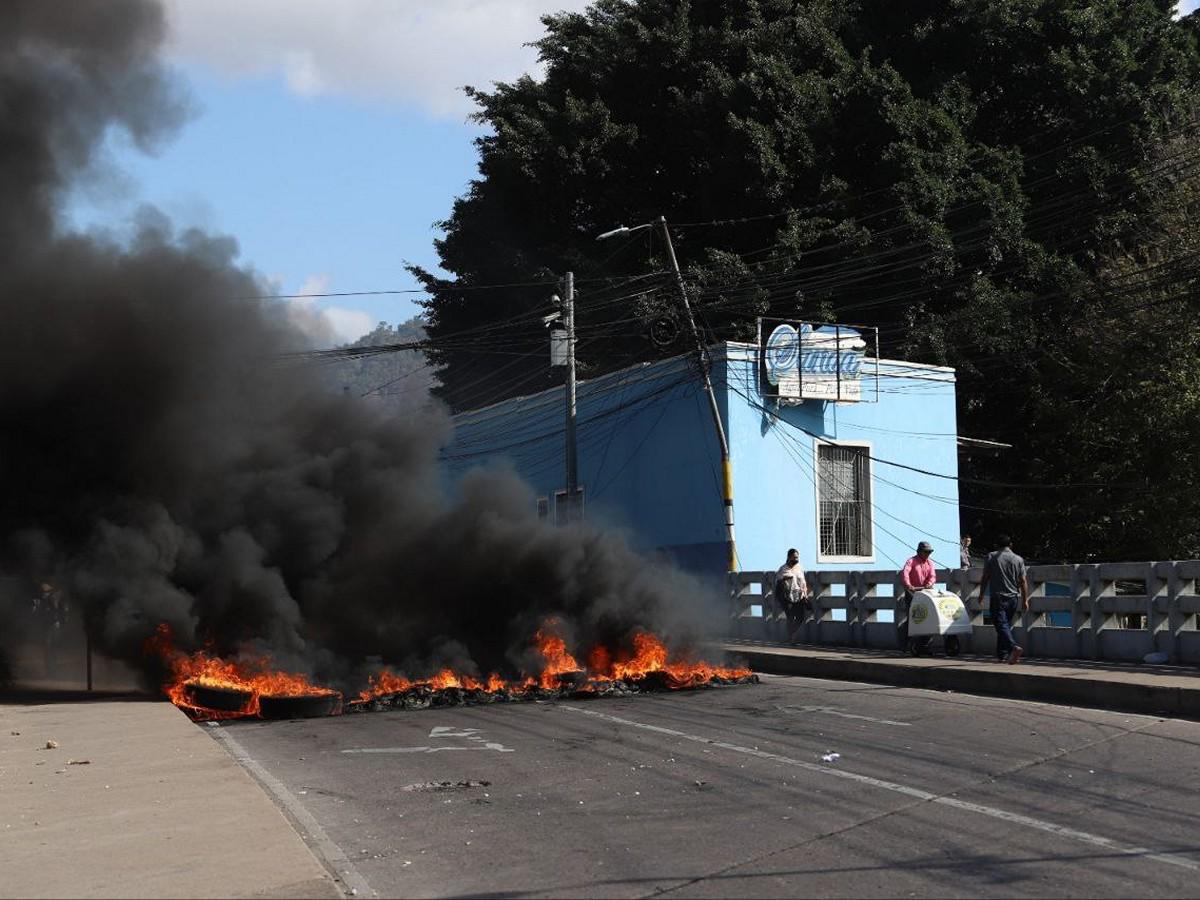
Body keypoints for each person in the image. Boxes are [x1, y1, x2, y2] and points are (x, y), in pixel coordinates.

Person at [978, 534, 1029, 664]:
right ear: (1011, 545)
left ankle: (1013, 647)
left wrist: (981, 594)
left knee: (1001, 625)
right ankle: (1002, 655)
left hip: (998, 597)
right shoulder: (1018, 559)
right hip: (1013, 598)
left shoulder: (991, 557)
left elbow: (985, 577)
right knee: (1005, 625)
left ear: (996, 545)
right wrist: (1025, 600)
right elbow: (1023, 581)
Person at [899, 541, 937, 654]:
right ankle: (906, 643)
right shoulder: (911, 561)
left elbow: (933, 576)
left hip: (926, 593)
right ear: (919, 551)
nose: (928, 554)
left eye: (929, 552)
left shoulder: (930, 563)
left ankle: (925, 645)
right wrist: (908, 585)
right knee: (913, 618)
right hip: (912, 592)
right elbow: (905, 573)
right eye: (926, 552)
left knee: (928, 618)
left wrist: (930, 583)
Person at [773, 548, 810, 641]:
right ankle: (791, 638)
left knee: (800, 617)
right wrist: (783, 579)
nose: (796, 559)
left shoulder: (800, 568)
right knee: (790, 617)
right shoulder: (783, 569)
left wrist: (805, 594)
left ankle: (792, 633)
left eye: (797, 557)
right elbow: (777, 582)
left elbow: (803, 582)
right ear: (789, 557)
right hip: (787, 597)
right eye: (794, 557)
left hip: (799, 596)